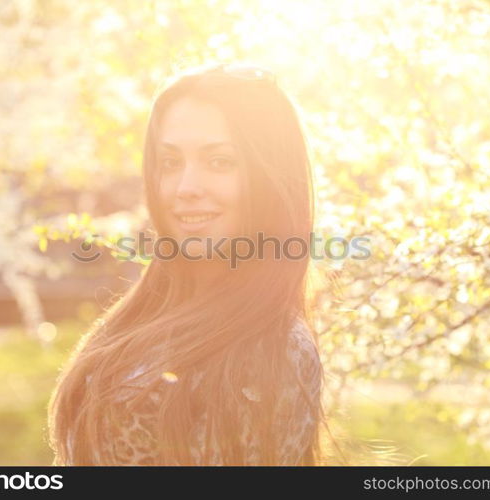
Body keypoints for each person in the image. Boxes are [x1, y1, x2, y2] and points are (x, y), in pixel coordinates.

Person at [48, 62, 324, 465]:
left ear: (268, 176)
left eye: (219, 162)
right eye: (171, 162)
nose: (185, 188)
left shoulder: (278, 348)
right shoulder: (142, 313)